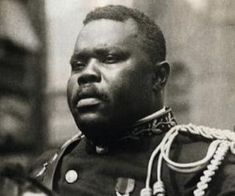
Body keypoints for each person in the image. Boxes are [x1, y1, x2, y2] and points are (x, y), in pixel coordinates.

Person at [31, 5, 235, 196]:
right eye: (78, 64)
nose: (87, 74)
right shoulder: (46, 169)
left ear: (158, 77)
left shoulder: (208, 169)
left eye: (109, 58)